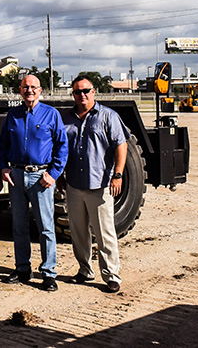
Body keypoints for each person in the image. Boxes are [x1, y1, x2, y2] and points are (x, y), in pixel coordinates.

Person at [0, 74, 68, 291]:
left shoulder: (51, 114)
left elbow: (62, 146)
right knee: (19, 226)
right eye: (25, 87)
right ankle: (22, 269)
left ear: (40, 90)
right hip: (16, 176)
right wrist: (4, 167)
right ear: (20, 90)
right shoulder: (13, 115)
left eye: (33, 87)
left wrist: (53, 173)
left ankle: (48, 273)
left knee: (46, 227)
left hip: (41, 177)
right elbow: (3, 144)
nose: (29, 90)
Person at [64, 75, 129, 293]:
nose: (81, 95)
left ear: (94, 92)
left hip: (99, 184)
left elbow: (121, 145)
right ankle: (85, 270)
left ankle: (111, 274)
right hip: (74, 184)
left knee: (104, 232)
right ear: (72, 94)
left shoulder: (108, 116)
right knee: (79, 232)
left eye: (85, 90)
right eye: (77, 92)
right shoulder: (67, 118)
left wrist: (117, 175)